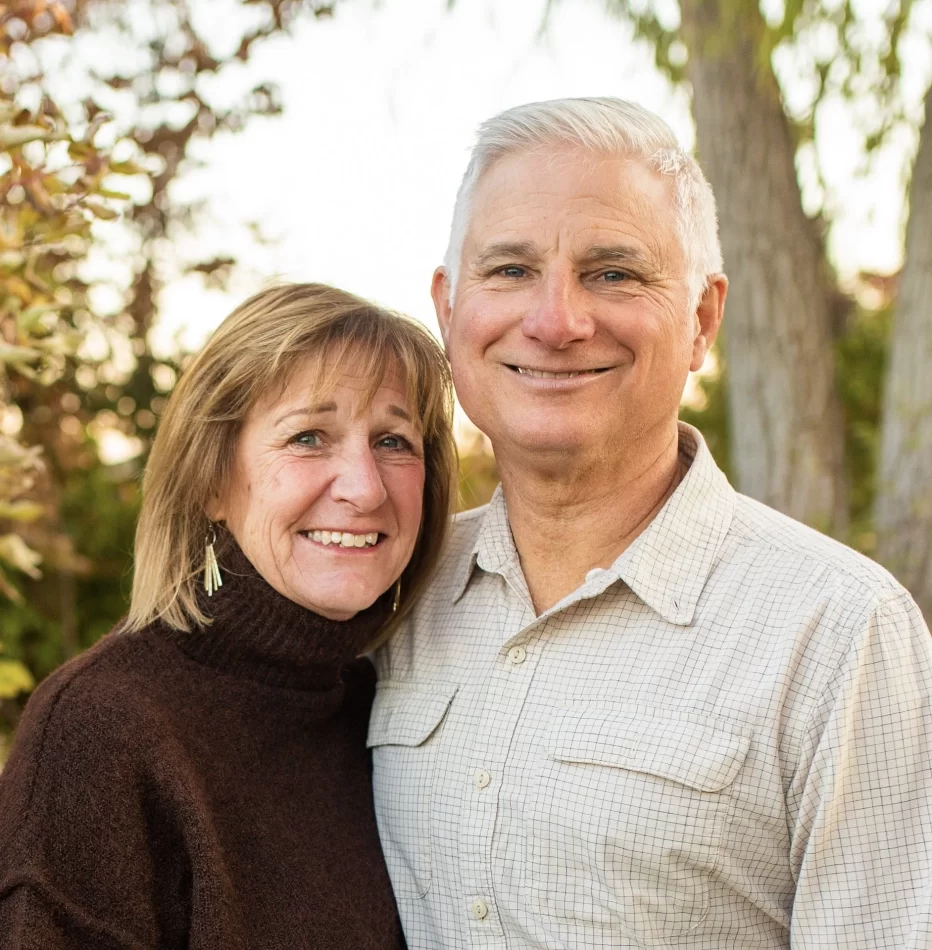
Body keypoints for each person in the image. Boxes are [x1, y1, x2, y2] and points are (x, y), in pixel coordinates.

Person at [369, 98, 932, 949]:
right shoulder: (392, 589)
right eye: (511, 270)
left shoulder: (840, 631)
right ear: (449, 310)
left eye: (614, 273)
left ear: (703, 319)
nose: (556, 320)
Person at [0, 283, 457, 949]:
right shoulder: (101, 727)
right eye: (308, 436)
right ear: (212, 480)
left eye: (393, 440)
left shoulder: (389, 707)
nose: (364, 487)